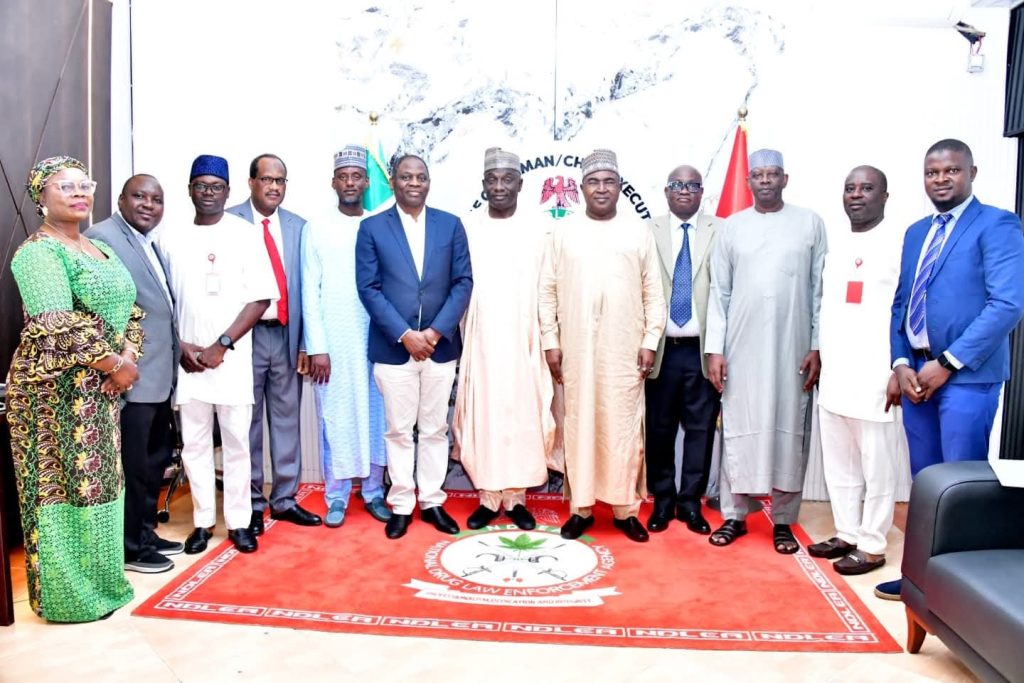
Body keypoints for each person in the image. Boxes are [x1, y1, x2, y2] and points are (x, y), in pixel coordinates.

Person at [875, 138, 1024, 599]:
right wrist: (901, 362)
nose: (940, 179)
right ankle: (919, 580)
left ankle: (957, 594)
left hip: (966, 379)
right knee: (925, 485)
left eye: (951, 171)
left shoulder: (997, 224)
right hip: (917, 379)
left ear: (972, 173)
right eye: (932, 172)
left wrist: (947, 362)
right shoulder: (916, 232)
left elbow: (1007, 304)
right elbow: (902, 304)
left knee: (959, 486)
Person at [8, 156, 140, 622]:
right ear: (41, 197)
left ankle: (104, 586)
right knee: (63, 493)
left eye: (85, 185)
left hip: (100, 391)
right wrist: (116, 364)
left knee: (102, 488)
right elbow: (55, 325)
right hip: (53, 395)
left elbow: (131, 310)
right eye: (66, 186)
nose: (80, 193)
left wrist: (128, 357)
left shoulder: (98, 248)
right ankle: (69, 600)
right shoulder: (37, 253)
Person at [538, 149, 666, 543]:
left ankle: (626, 510)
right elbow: (547, 290)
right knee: (580, 426)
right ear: (581, 188)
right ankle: (581, 509)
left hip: (624, 350)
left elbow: (653, 292)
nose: (601, 188)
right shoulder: (563, 231)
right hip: (576, 350)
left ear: (620, 187)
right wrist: (551, 341)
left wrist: (649, 340)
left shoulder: (638, 231)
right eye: (593, 182)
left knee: (622, 428)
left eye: (609, 181)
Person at [705, 148, 826, 554]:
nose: (766, 181)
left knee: (790, 431)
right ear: (749, 182)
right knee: (739, 427)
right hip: (741, 348)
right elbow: (719, 293)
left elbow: (819, 289)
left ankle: (784, 521)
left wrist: (816, 345)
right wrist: (715, 350)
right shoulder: (732, 228)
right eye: (758, 175)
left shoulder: (810, 223)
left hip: (793, 346)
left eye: (773, 174)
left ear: (785, 179)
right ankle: (734, 515)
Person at [160, 154, 278, 555]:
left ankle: (240, 523)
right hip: (189, 362)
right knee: (194, 445)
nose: (208, 193)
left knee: (237, 444)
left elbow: (260, 298)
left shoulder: (244, 234)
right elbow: (162, 301)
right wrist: (181, 346)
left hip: (231, 360)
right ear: (189, 190)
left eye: (216, 187)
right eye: (201, 185)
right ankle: (202, 522)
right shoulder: (171, 237)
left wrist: (221, 345)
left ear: (228, 192)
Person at [355, 154, 473, 540]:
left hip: (440, 348)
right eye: (406, 177)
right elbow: (368, 288)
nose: (414, 183)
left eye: (421, 177)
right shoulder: (372, 228)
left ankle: (433, 502)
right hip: (394, 349)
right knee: (399, 431)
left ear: (429, 182)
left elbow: (463, 282)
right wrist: (405, 334)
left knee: (436, 428)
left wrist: (435, 333)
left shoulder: (450, 225)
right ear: (392, 181)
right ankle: (402, 504)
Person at [453, 147, 553, 531]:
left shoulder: (539, 230)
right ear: (483, 184)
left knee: (522, 417)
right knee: (484, 416)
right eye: (492, 180)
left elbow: (548, 287)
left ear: (520, 184)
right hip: (481, 338)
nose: (499, 187)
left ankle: (515, 498)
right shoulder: (468, 227)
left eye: (507, 179)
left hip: (525, 337)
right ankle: (488, 497)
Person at [810, 166, 902, 576]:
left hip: (876, 376)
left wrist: (898, 367)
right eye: (850, 188)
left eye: (867, 188)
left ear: (884, 196)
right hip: (836, 374)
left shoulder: (898, 244)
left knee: (877, 466)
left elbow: (905, 312)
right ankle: (846, 533)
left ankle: (873, 544)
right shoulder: (838, 244)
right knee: (840, 464)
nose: (857, 195)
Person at [88, 174, 183, 574]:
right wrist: (116, 363)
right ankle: (130, 547)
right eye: (139, 196)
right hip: (131, 376)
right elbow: (98, 309)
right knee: (133, 467)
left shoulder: (148, 242)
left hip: (158, 374)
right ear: (120, 200)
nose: (148, 204)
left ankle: (145, 533)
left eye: (156, 199)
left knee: (153, 461)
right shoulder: (102, 238)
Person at [226, 154, 321, 534]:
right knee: (245, 424)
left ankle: (284, 500)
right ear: (251, 182)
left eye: (280, 181)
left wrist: (306, 343)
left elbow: (308, 288)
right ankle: (250, 503)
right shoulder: (228, 221)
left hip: (285, 335)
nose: (274, 187)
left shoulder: (299, 226)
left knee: (286, 419)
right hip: (243, 337)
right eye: (267, 179)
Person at [302, 145, 390, 528]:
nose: (350, 183)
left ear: (367, 182)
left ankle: (374, 492)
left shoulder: (379, 225)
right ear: (333, 183)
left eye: (356, 176)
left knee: (376, 416)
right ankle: (336, 496)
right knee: (336, 418)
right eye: (343, 177)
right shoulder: (316, 227)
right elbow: (309, 289)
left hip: (375, 339)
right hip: (333, 342)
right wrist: (317, 347)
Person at [644, 165, 720, 535]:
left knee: (700, 430)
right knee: (658, 429)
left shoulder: (721, 230)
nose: (685, 190)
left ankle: (690, 503)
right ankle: (662, 500)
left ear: (702, 191)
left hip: (702, 351)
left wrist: (719, 349)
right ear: (666, 191)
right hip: (660, 350)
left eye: (692, 185)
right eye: (677, 184)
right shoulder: (648, 230)